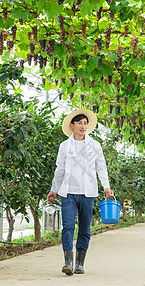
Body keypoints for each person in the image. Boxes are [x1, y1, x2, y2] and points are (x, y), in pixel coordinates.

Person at [47, 109, 114, 276]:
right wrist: (54, 189)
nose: (83, 126)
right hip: (68, 192)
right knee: (68, 227)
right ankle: (67, 262)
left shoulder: (95, 145)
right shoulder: (64, 146)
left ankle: (79, 264)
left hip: (87, 193)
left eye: (85, 123)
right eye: (79, 123)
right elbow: (60, 169)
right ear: (72, 125)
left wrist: (106, 186)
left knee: (84, 229)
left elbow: (101, 168)